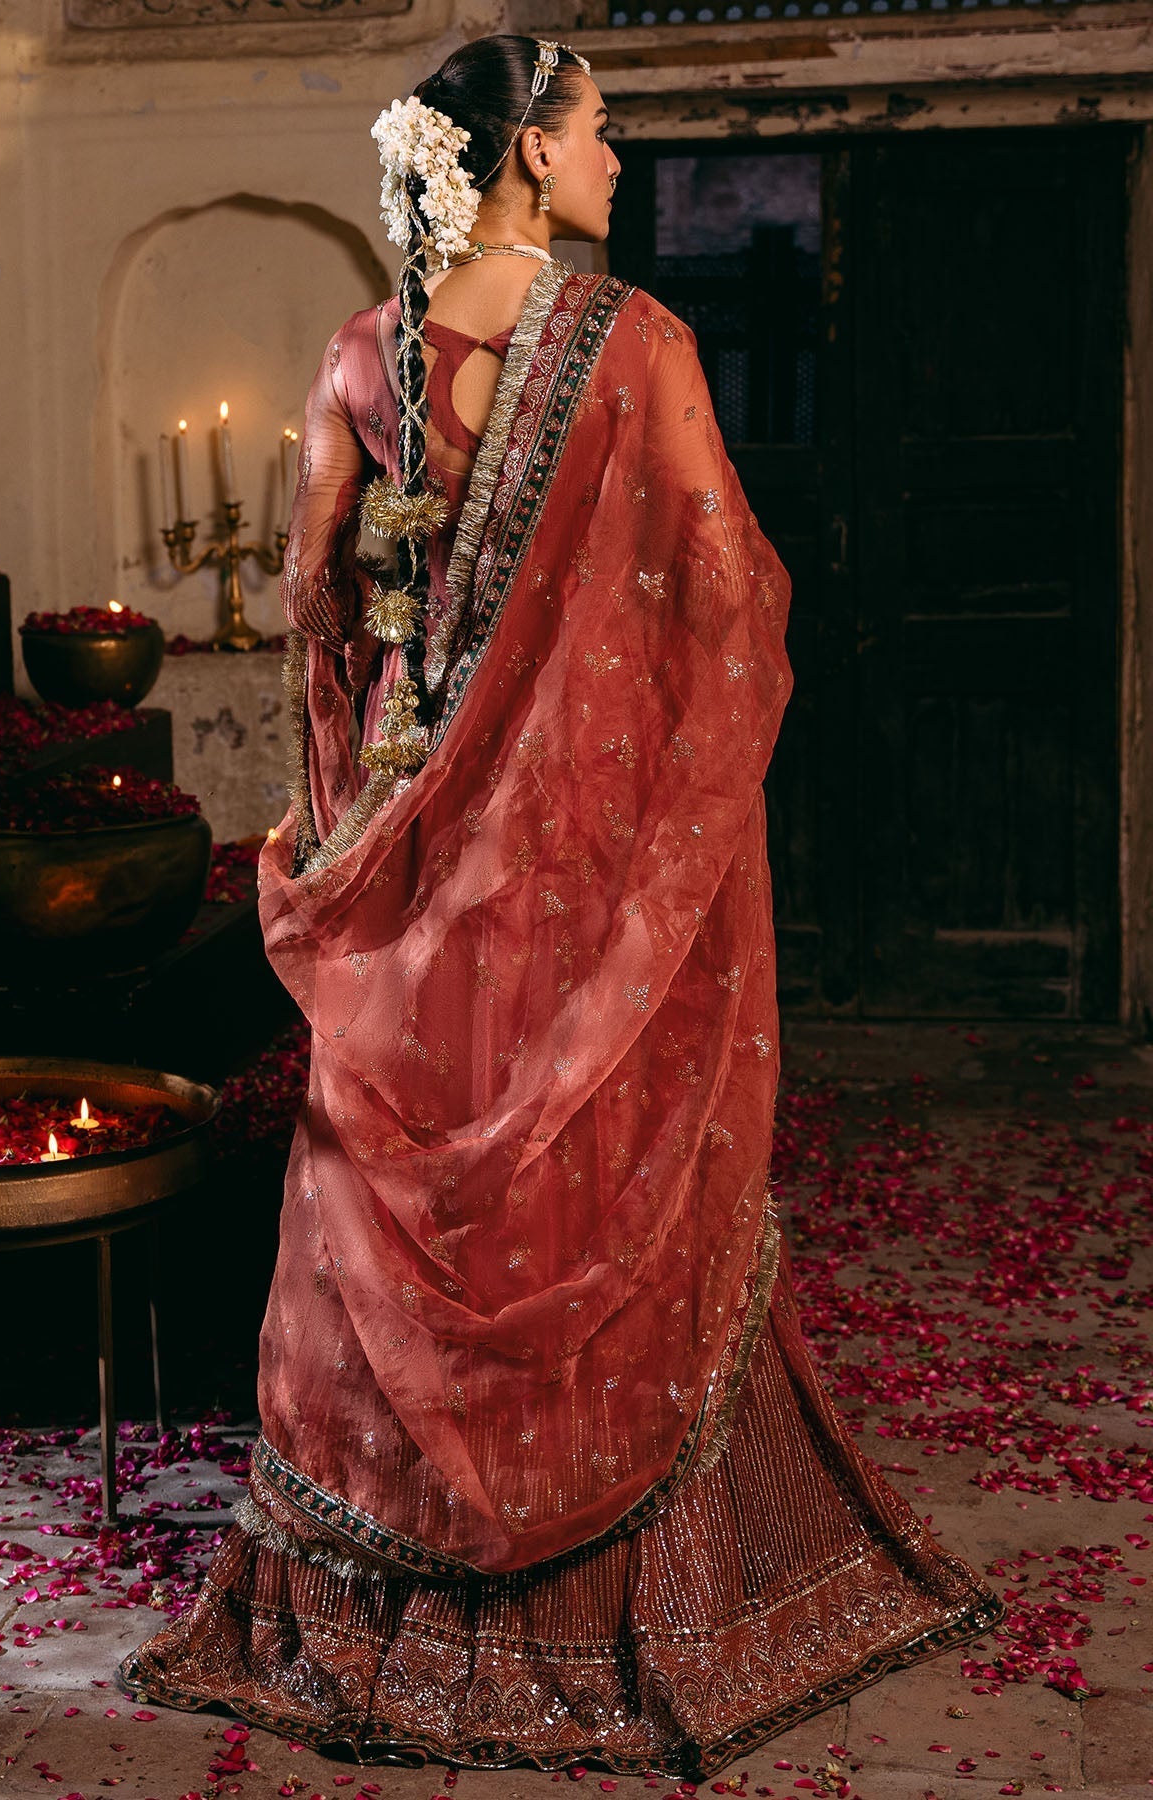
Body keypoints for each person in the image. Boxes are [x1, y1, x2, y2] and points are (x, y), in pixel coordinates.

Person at [120, 34, 1001, 1773]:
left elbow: (317, 597)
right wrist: (659, 718)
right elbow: (717, 592)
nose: (617, 154)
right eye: (600, 127)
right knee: (579, 1179)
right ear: (526, 150)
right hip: (583, 863)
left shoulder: (362, 350)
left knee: (404, 1172)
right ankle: (601, 1592)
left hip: (411, 853)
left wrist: (362, 795)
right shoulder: (634, 343)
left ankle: (381, 1574)